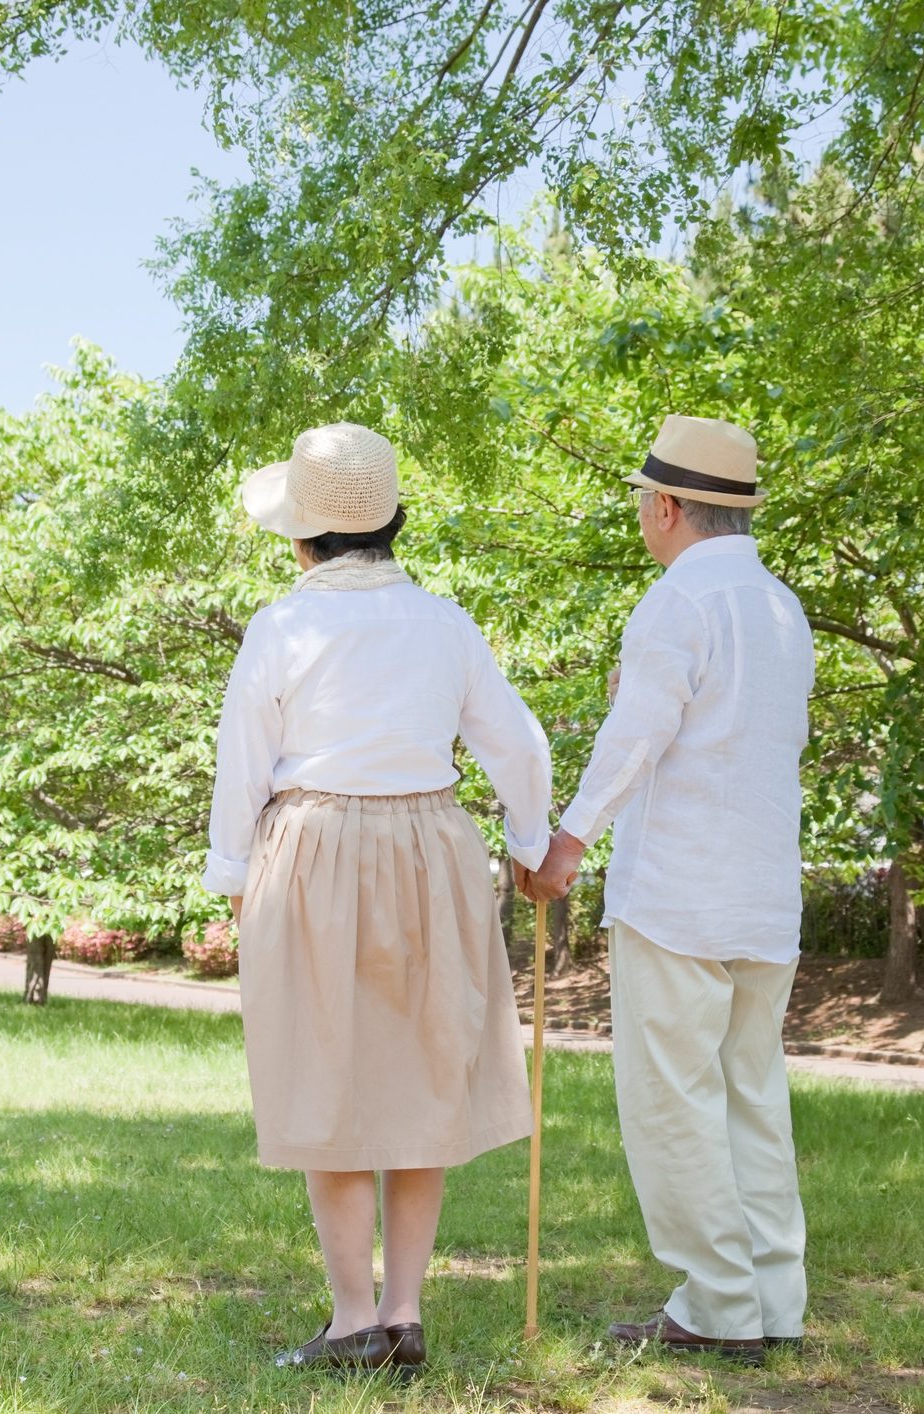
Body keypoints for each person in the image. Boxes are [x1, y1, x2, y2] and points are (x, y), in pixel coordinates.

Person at [205, 421, 552, 1377]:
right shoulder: (444, 622)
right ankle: (401, 1313)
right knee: (421, 1069)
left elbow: (243, 763)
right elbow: (518, 745)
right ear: (393, 521)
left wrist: (231, 876)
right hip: (429, 844)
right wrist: (530, 844)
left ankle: (356, 1318)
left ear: (301, 536)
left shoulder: (283, 625)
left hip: (313, 845)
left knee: (327, 1076)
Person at [520, 414, 814, 1367]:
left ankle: (719, 1304)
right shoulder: (780, 607)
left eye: (646, 503)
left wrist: (566, 841)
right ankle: (773, 1297)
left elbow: (638, 734)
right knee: (750, 1095)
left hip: (680, 893)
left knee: (672, 1101)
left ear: (667, 507)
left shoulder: (678, 601)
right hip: (762, 894)